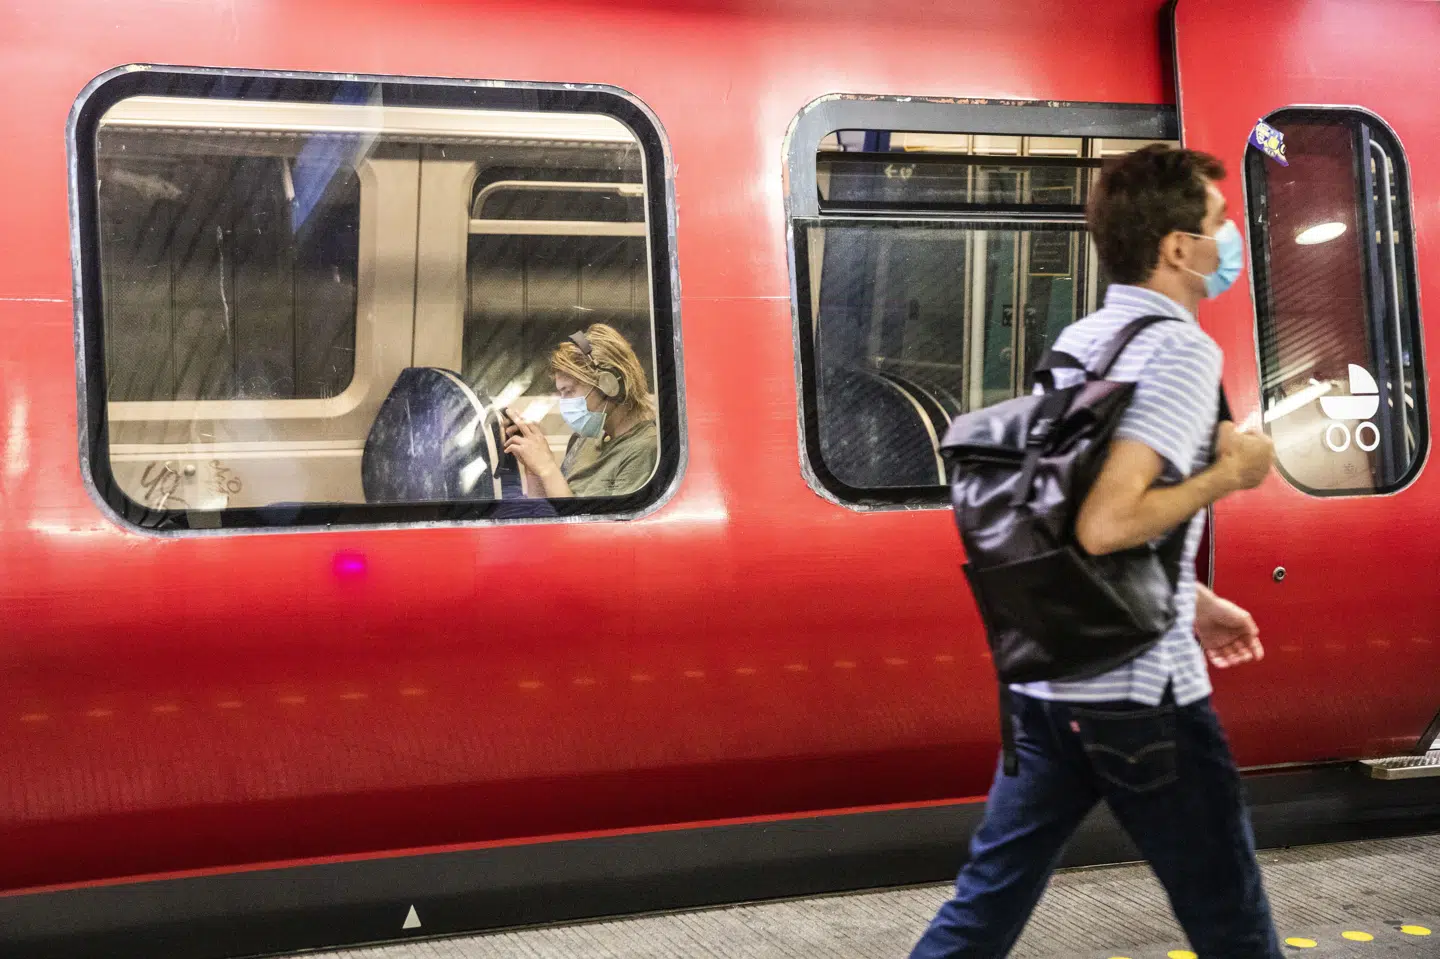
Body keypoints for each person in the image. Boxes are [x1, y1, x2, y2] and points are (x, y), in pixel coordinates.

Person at [910, 145, 1281, 958]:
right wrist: (1231, 473)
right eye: (1218, 224)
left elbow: (1068, 510)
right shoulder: (1181, 350)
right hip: (1142, 696)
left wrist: (1196, 598)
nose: (1227, 243)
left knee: (984, 907)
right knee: (1233, 925)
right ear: (1179, 247)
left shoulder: (1086, 335)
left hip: (1046, 686)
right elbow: (1107, 525)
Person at [502, 323, 659, 498]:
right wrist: (535, 469)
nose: (564, 403)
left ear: (608, 386)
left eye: (569, 391)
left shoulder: (644, 449)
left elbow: (583, 524)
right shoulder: (585, 441)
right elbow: (547, 514)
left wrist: (547, 468)